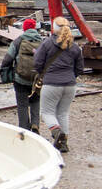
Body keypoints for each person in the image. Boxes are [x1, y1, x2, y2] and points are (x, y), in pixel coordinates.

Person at [33, 16, 84, 153]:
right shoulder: (74, 47)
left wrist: (43, 74)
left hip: (51, 83)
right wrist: (70, 76)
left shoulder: (47, 43)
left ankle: (56, 133)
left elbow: (37, 63)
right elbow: (80, 68)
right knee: (63, 113)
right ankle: (63, 143)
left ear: (53, 29)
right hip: (70, 84)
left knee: (47, 112)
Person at [0, 17, 43, 130]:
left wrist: (4, 69)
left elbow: (8, 59)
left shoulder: (18, 41)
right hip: (36, 79)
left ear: (24, 28)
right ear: (34, 28)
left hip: (20, 78)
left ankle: (24, 128)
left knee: (22, 105)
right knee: (35, 102)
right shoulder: (42, 41)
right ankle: (35, 124)